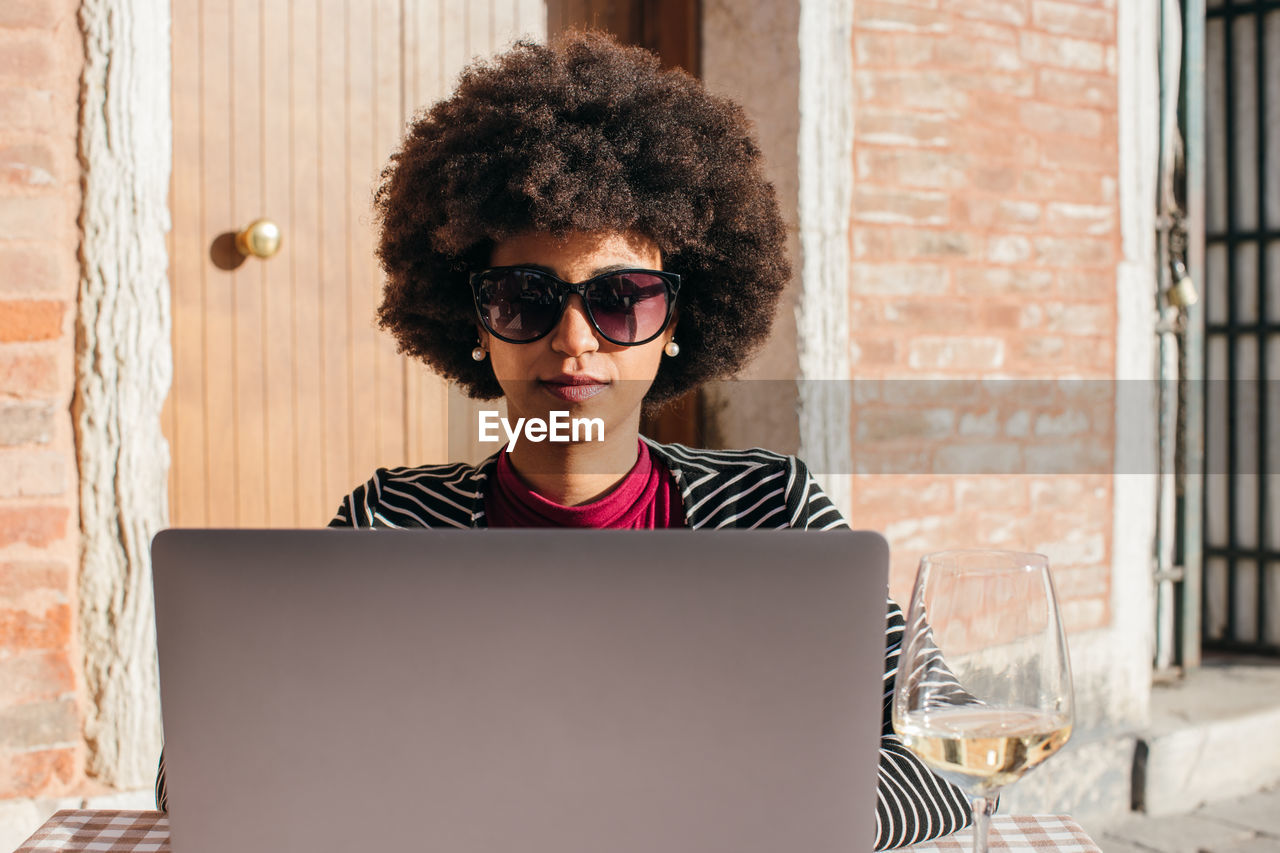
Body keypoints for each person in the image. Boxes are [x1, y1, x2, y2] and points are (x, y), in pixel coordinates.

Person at [158, 30, 971, 849]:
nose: (575, 340)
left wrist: (793, 818)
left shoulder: (772, 510)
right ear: (477, 322)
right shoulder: (395, 522)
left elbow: (957, 744)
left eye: (622, 298)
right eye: (524, 297)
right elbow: (202, 767)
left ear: (675, 323)